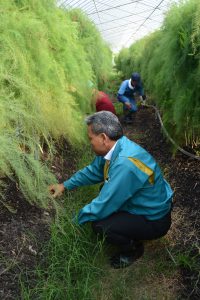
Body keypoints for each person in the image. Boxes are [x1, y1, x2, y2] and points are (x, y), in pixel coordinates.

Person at [49, 111, 173, 269]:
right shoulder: (116, 147)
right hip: (146, 205)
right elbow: (94, 171)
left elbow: (103, 205)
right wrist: (65, 185)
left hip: (155, 220)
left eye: (90, 138)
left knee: (100, 225)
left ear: (103, 138)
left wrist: (72, 224)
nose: (90, 143)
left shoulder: (125, 164)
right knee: (104, 189)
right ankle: (130, 230)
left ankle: (133, 249)